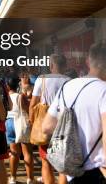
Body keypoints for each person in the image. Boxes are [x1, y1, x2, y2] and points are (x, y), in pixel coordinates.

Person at [42, 40, 106, 184]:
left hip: (72, 173)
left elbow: (47, 126)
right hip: (99, 172)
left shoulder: (67, 86)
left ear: (88, 61)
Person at [30, 53, 70, 184]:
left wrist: (32, 123)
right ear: (64, 66)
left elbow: (32, 104)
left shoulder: (41, 79)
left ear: (51, 65)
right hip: (64, 126)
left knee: (46, 162)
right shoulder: (70, 81)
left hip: (45, 126)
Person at [5, 76, 35, 184]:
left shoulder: (6, 96)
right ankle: (30, 179)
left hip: (9, 123)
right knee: (27, 153)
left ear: (8, 86)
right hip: (21, 123)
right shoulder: (20, 96)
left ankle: (12, 178)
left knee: (13, 153)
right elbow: (27, 109)